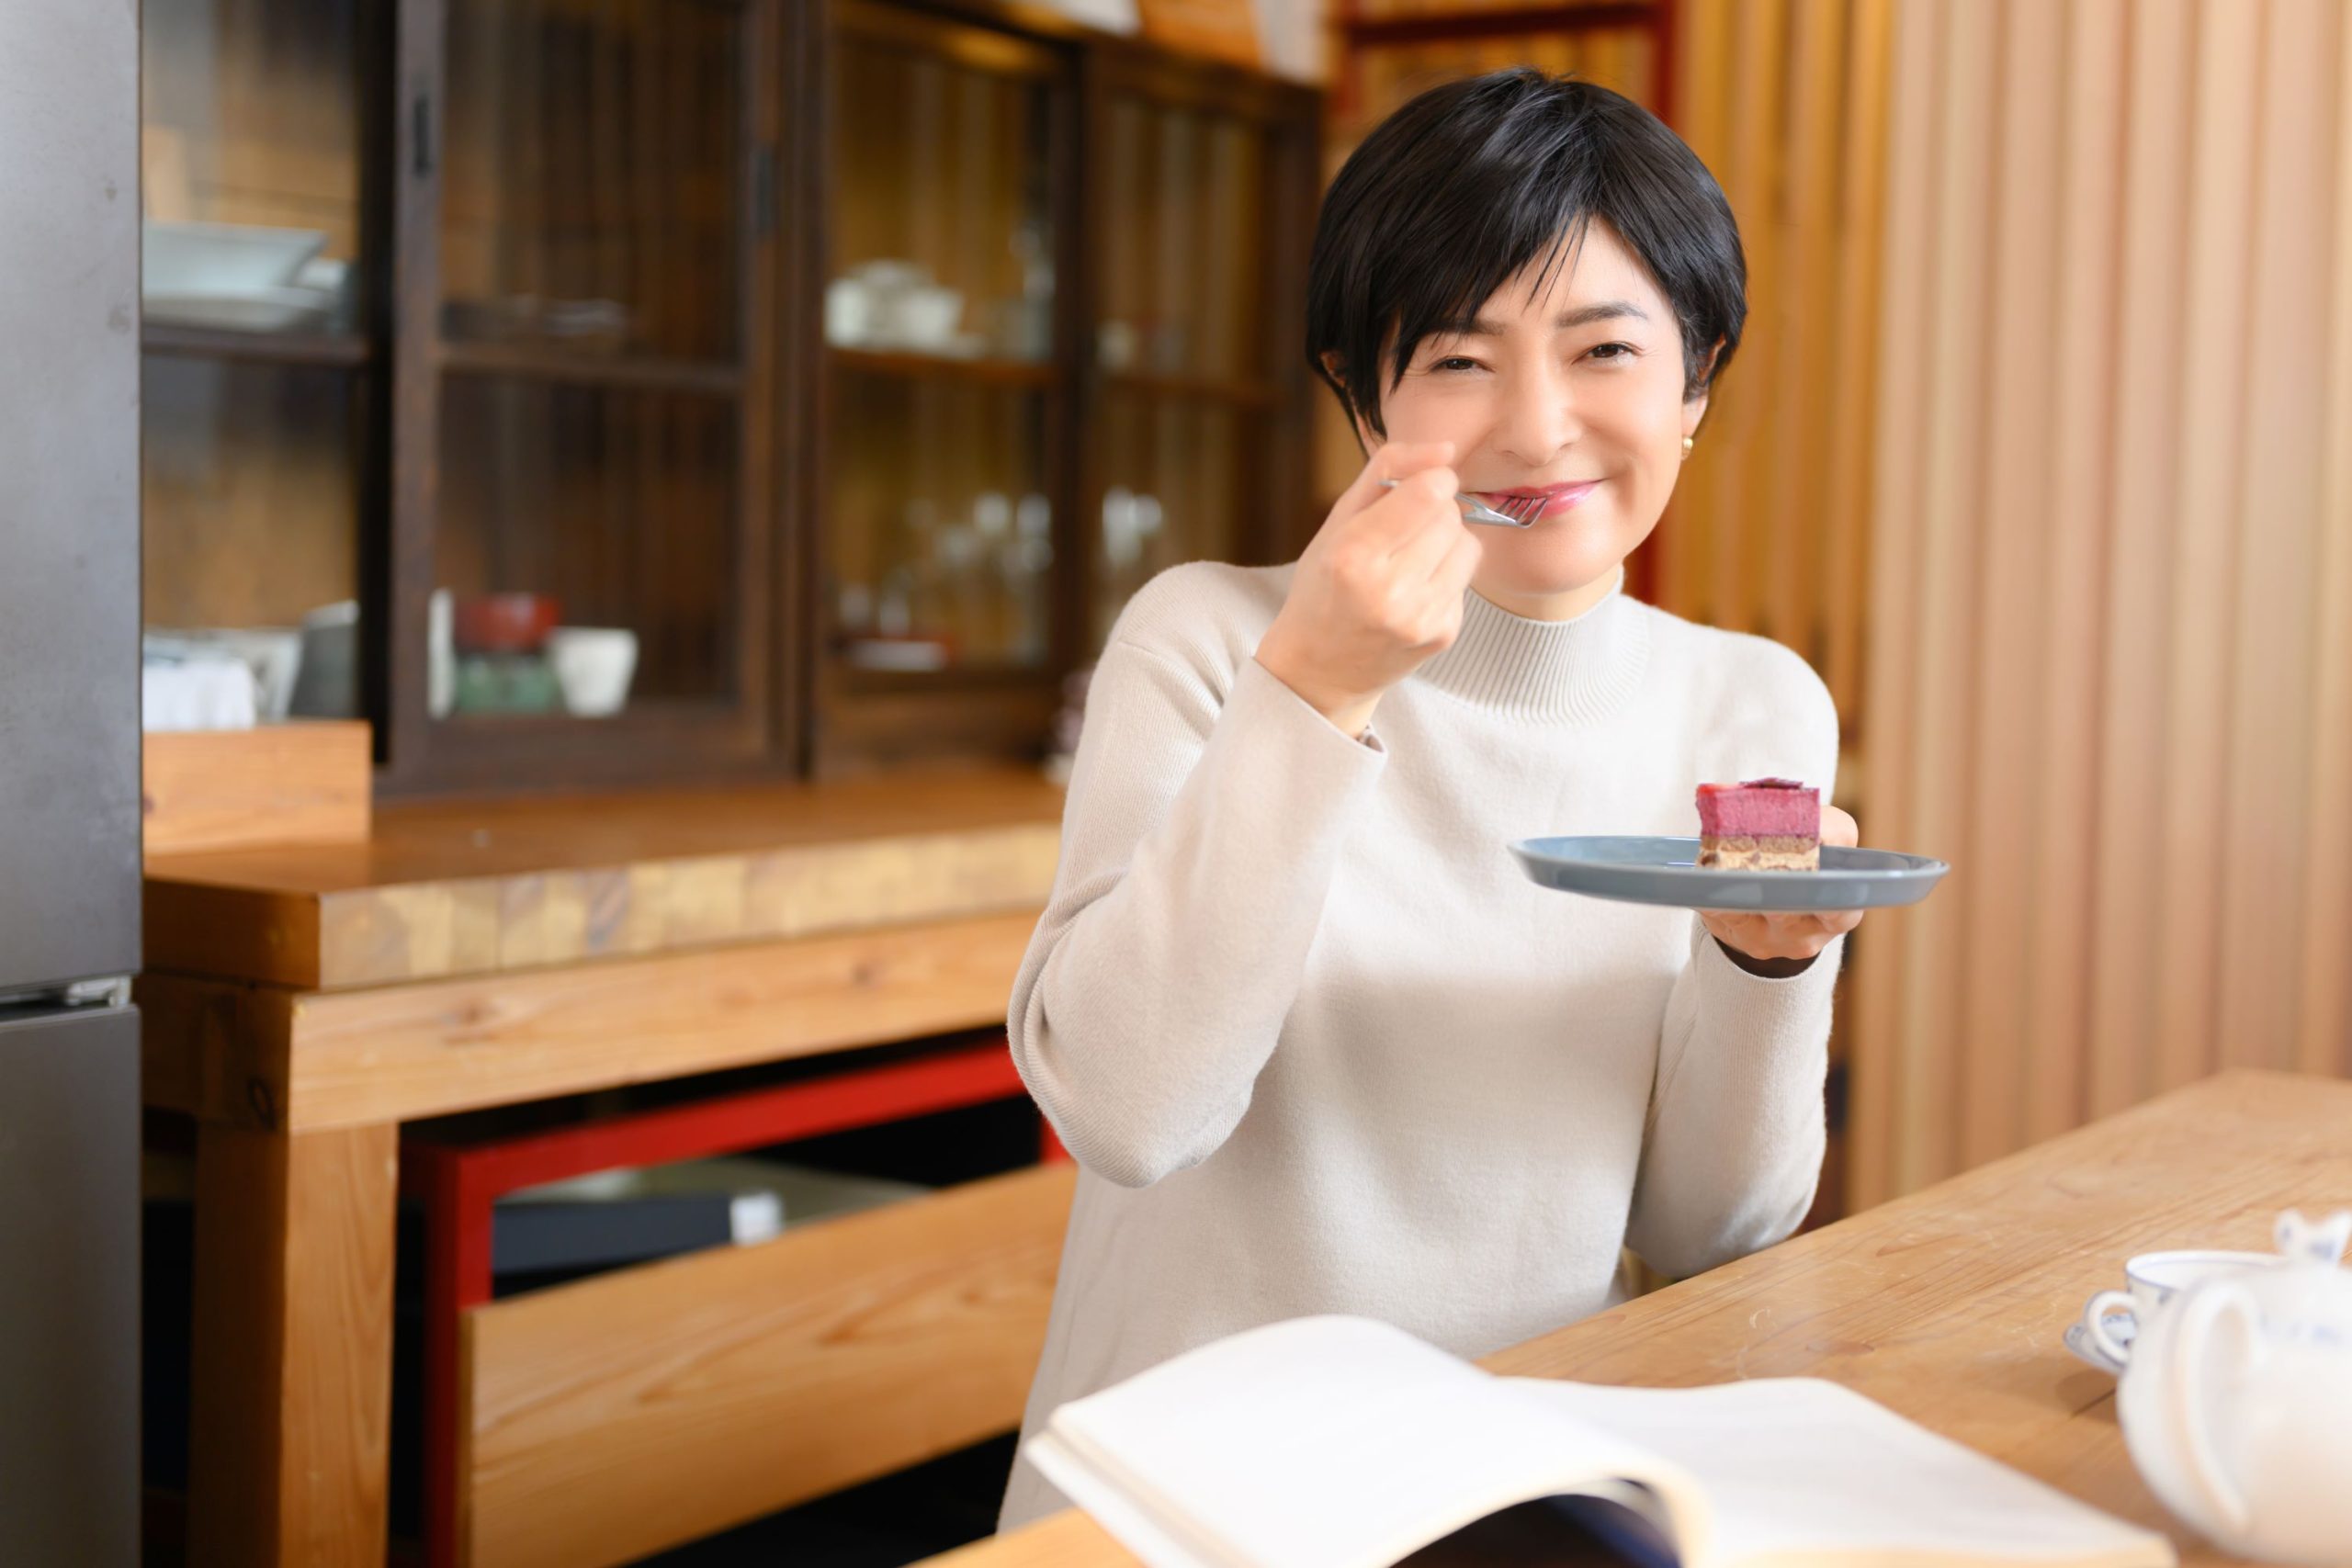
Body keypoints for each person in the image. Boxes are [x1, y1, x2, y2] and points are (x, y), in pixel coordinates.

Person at [998, 68, 1862, 1530]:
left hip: (1519, 1498)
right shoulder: (1210, 641)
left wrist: (1764, 964)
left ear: (1697, 377)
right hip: (1185, 1510)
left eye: (1604, 350)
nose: (1536, 432)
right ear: (1364, 393)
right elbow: (1132, 1115)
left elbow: (1709, 1229)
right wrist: (1317, 694)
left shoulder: (1754, 707)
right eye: (1460, 361)